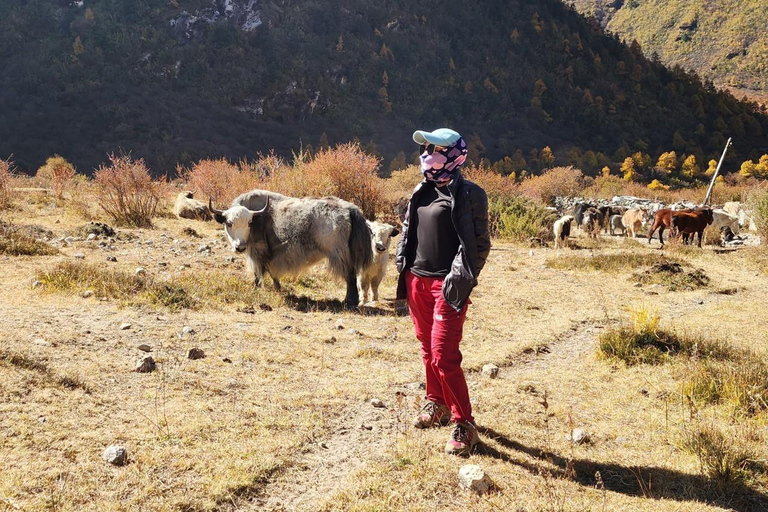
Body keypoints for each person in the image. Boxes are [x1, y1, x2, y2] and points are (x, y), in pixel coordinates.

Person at [395, 128, 491, 456]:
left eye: (436, 149)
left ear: (454, 154)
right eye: (426, 149)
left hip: (446, 286)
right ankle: (436, 402)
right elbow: (410, 230)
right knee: (426, 349)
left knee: (443, 355)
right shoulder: (421, 190)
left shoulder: (470, 194)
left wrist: (459, 280)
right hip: (416, 280)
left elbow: (479, 246)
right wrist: (402, 265)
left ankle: (464, 423)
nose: (427, 155)